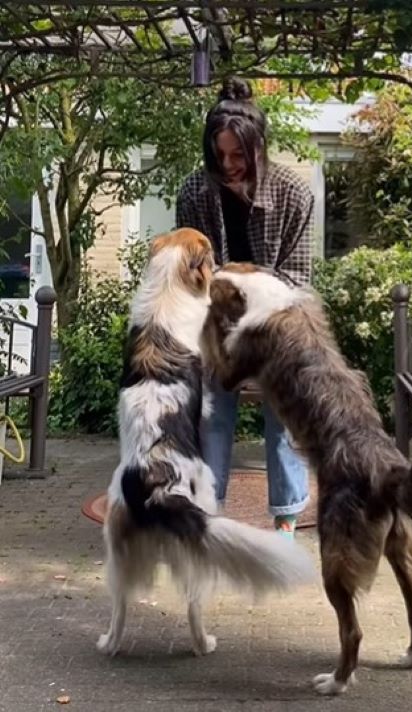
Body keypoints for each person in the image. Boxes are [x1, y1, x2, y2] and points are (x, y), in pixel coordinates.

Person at [176, 77, 313, 538]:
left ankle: (287, 520)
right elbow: (189, 277)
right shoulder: (194, 193)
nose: (229, 165)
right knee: (211, 403)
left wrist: (257, 326)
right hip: (214, 322)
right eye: (220, 156)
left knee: (285, 406)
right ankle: (206, 512)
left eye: (239, 155)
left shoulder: (295, 194)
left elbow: (298, 282)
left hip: (274, 323)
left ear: (259, 149)